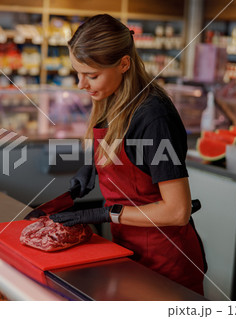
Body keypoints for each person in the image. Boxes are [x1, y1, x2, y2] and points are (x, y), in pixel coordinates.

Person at [48, 14, 207, 295]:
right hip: (128, 251)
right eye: (78, 72)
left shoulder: (154, 118)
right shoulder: (112, 97)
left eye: (91, 75)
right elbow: (119, 144)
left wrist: (106, 213)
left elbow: (178, 210)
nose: (80, 84)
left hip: (166, 263)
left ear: (123, 64)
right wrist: (90, 166)